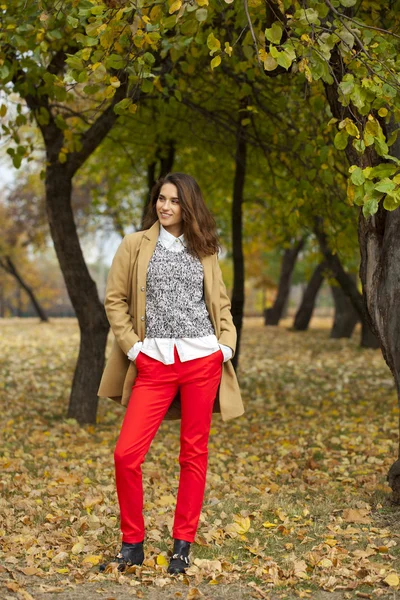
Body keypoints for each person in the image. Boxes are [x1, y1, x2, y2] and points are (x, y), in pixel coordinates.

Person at [98, 172, 244, 575]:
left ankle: (182, 545)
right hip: (154, 364)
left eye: (174, 201)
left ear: (188, 206)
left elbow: (221, 303)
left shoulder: (206, 249)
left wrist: (225, 347)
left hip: (201, 362)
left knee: (193, 454)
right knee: (126, 455)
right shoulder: (134, 245)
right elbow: (115, 300)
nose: (165, 206)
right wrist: (135, 349)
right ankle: (132, 545)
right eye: (161, 199)